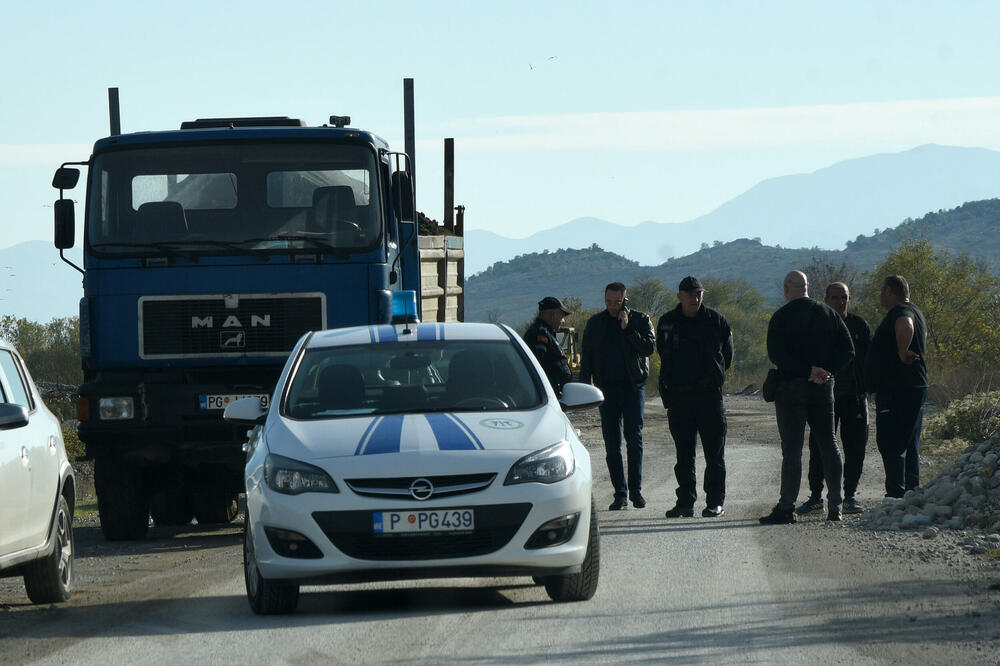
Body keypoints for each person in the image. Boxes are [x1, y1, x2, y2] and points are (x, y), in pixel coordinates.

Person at [759, 271, 854, 524]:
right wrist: (825, 370)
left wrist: (806, 371)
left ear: (786, 288)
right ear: (808, 287)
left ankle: (786, 507)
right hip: (823, 388)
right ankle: (836, 507)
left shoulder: (781, 317)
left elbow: (776, 354)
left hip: (791, 389)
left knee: (792, 450)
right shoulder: (829, 314)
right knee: (829, 444)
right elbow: (848, 350)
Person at [657, 276, 734, 519]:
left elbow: (727, 355)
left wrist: (714, 376)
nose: (695, 298)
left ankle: (714, 503)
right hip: (679, 397)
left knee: (714, 454)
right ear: (679, 295)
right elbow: (663, 353)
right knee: (684, 454)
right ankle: (685, 502)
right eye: (690, 294)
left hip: (709, 397)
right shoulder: (668, 322)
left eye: (698, 293)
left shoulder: (716, 320)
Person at [796, 282, 873, 515]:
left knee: (855, 448)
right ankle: (816, 497)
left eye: (844, 297)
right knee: (819, 448)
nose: (840, 302)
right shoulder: (817, 325)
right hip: (823, 398)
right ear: (826, 299)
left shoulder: (860, 326)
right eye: (835, 297)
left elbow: (870, 361)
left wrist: (867, 388)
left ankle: (849, 496)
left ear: (849, 299)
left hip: (855, 397)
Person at [579, 282, 656, 510]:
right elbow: (587, 357)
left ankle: (636, 491)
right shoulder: (595, 323)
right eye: (609, 302)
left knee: (634, 439)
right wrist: (584, 389)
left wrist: (628, 328)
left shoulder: (640, 320)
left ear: (625, 299)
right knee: (612, 445)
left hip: (633, 387)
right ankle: (620, 494)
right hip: (606, 390)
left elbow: (648, 348)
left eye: (617, 302)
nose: (613, 306)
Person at [863, 275, 928, 499]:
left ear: (890, 290)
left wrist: (902, 352)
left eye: (882, 291)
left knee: (892, 443)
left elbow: (904, 324)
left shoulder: (901, 312)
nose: (881, 296)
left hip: (898, 390)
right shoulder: (915, 310)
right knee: (909, 442)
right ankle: (911, 493)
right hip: (914, 387)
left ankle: (895, 496)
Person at [523, 296, 573, 397]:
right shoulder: (539, 333)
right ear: (552, 315)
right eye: (562, 316)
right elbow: (538, 365)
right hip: (547, 395)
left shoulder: (546, 333)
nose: (563, 321)